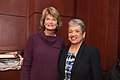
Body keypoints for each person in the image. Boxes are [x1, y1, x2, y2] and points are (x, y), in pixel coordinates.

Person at [21, 7, 64, 80]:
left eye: (54, 19)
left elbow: (61, 66)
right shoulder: (33, 39)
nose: (50, 22)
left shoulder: (61, 42)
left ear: (57, 23)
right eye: (47, 19)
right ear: (43, 22)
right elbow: (26, 65)